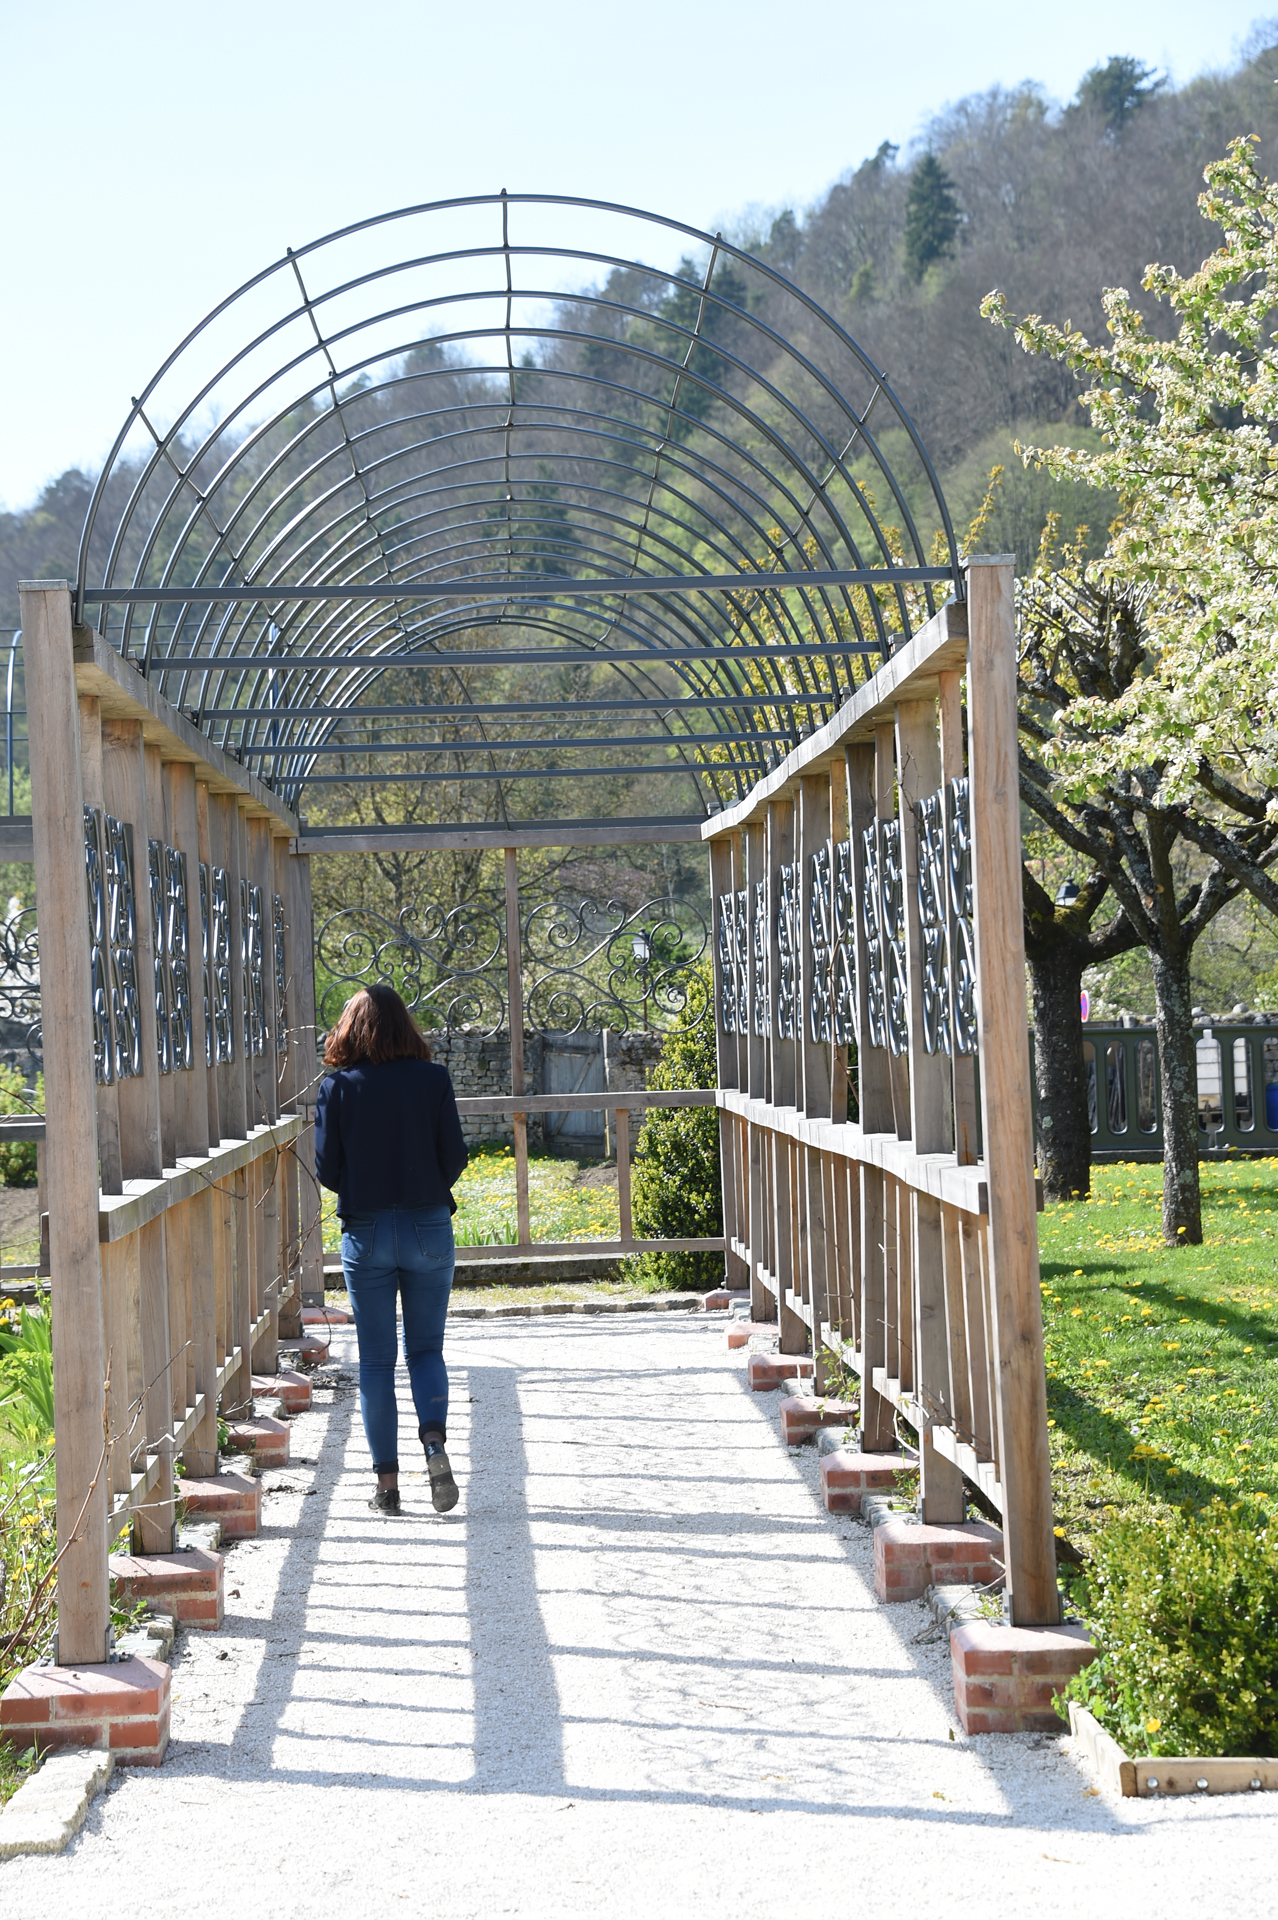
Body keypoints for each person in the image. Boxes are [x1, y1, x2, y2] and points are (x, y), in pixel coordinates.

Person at [315, 982, 469, 1517]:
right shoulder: (433, 1080)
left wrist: (365, 1191)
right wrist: (425, 1191)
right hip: (429, 1226)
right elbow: (455, 1154)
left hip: (367, 1229)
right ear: (405, 1025)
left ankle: (387, 1486)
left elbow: (327, 1168)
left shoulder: (338, 1088)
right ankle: (433, 1441)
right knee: (426, 1350)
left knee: (376, 1362)